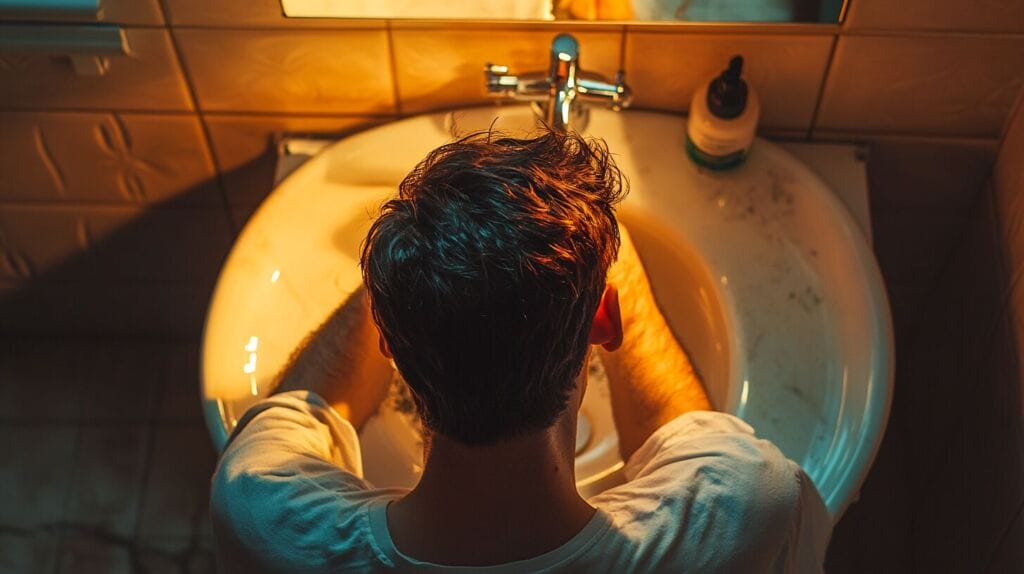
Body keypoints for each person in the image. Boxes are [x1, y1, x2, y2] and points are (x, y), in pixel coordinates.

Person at [210, 130, 832, 572]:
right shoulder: (746, 518)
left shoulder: (262, 519)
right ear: (605, 322)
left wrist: (413, 273)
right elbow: (697, 448)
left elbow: (301, 411)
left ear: (389, 342)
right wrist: (604, 275)